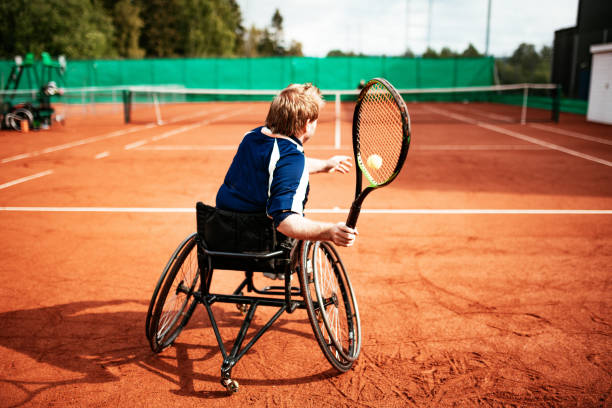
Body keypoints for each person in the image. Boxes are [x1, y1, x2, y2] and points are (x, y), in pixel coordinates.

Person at [216, 83, 358, 248]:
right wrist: (330, 231)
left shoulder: (252, 137)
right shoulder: (292, 158)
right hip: (261, 242)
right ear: (307, 124)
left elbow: (278, 167)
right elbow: (285, 222)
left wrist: (326, 165)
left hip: (223, 232)